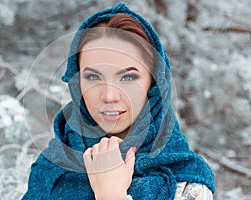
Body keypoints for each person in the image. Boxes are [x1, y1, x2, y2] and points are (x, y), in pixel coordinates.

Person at [23, 3, 215, 200]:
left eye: (128, 77)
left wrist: (111, 195)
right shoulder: (51, 168)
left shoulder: (187, 182)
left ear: (154, 83)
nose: (109, 96)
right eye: (93, 77)